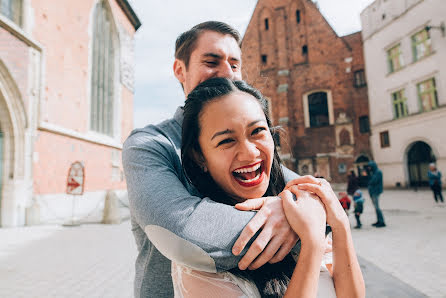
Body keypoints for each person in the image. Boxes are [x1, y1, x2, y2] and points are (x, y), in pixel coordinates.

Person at [122, 21, 301, 297]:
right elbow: (182, 229)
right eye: (212, 61)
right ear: (180, 70)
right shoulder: (149, 145)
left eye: (235, 63)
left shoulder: (251, 144)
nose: (227, 73)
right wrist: (297, 222)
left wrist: (297, 209)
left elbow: (313, 194)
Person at [175, 77, 364, 297]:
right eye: (226, 141)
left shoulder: (298, 210)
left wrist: (340, 223)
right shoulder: (200, 261)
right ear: (199, 158)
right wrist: (311, 242)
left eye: (257, 131)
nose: (250, 153)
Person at [367, 161, 386, 227]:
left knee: (377, 207)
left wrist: (369, 177)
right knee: (376, 207)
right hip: (373, 192)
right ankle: (378, 220)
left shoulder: (378, 172)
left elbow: (373, 181)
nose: (368, 168)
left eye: (369, 167)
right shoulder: (374, 173)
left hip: (375, 192)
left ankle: (382, 221)